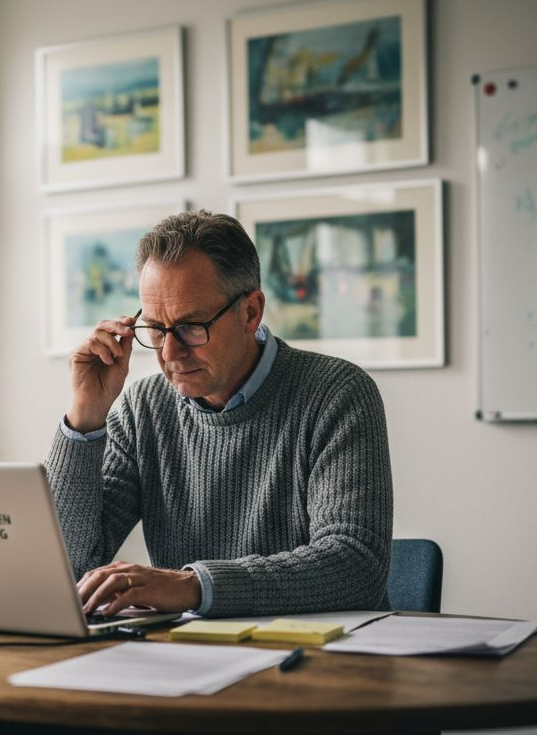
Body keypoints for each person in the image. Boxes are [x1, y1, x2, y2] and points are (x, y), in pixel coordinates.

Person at [44, 210, 393, 619]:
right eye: (155, 330)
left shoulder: (336, 393)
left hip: (317, 657)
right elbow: (67, 563)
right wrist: (85, 417)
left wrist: (194, 586)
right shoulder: (144, 409)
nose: (170, 354)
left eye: (192, 326)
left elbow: (355, 566)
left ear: (251, 312)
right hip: (188, 656)